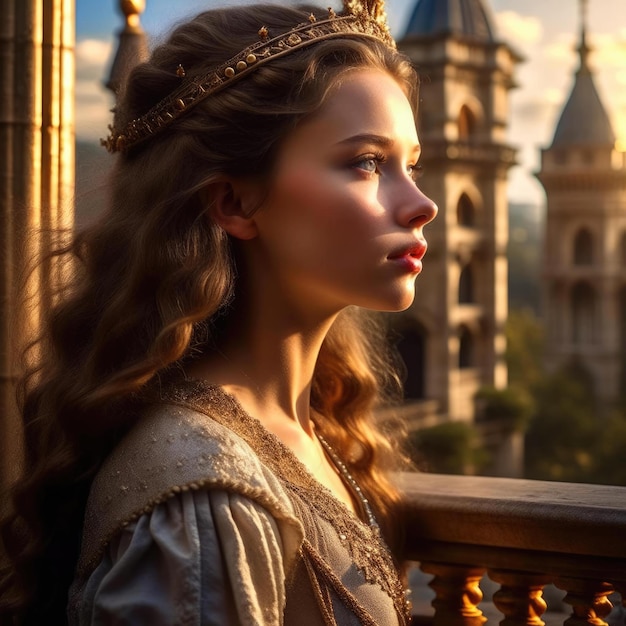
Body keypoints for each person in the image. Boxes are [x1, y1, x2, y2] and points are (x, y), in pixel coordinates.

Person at [0, 0, 437, 624]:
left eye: (410, 164)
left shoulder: (309, 434)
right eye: (365, 162)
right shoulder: (204, 498)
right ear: (233, 202)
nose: (422, 204)